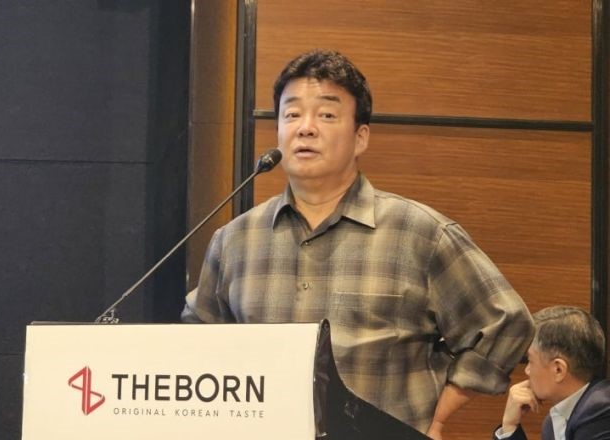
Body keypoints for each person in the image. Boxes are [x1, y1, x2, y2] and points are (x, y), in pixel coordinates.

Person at [182, 49, 534, 438]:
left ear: (360, 137)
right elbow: (196, 345)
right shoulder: (235, 240)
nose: (305, 128)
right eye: (292, 114)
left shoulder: (420, 233)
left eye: (326, 115)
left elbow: (507, 323)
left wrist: (438, 417)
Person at [493, 306, 610, 440]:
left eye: (530, 361)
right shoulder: (553, 421)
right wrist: (510, 426)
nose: (527, 370)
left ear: (558, 369)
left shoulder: (600, 411)